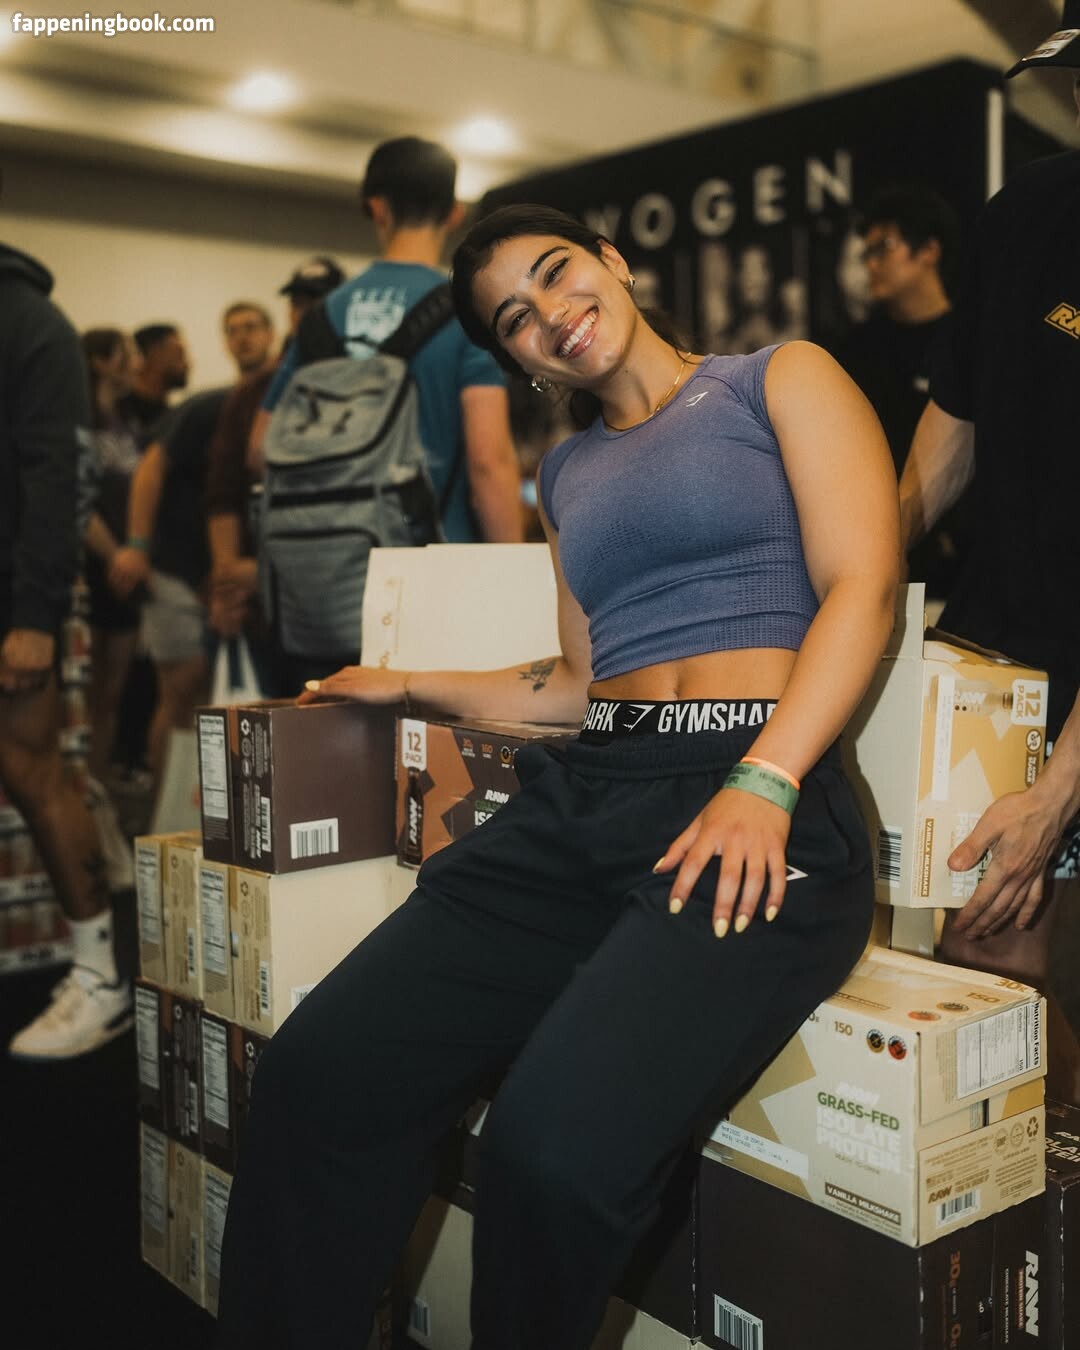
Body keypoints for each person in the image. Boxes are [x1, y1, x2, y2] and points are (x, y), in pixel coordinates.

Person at [216, 204, 899, 1349]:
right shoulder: (567, 471)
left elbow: (862, 587)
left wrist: (768, 779)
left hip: (754, 801)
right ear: (520, 361)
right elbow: (579, 682)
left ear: (613, 261)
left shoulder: (777, 379)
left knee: (547, 1154)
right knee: (318, 1074)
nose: (550, 314)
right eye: (513, 318)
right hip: (593, 796)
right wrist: (408, 683)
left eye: (558, 271)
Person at [899, 1, 1080, 1102]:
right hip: (1005, 652)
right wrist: (855, 572)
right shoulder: (1026, 213)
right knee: (983, 964)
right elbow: (952, 430)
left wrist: (1059, 793)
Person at [255, 137, 523, 548]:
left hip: (331, 558)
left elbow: (260, 447)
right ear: (454, 213)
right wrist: (511, 562)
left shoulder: (322, 317)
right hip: (432, 556)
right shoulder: (466, 313)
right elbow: (489, 463)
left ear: (377, 208)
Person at [0, 243, 130, 1059]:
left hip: (13, 602)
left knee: (34, 772)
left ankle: (100, 975)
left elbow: (60, 477)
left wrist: (35, 616)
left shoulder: (30, 321)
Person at [206, 260, 345, 660]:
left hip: (344, 578)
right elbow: (222, 494)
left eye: (320, 302)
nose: (308, 312)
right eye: (299, 303)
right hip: (267, 594)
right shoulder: (255, 393)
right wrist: (227, 584)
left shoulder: (373, 382)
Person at [833, 184, 967, 597]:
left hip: (969, 556)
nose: (872, 263)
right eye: (867, 253)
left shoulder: (971, 339)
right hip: (881, 550)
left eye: (884, 248)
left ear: (929, 250)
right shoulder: (853, 352)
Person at [79, 328, 143, 781]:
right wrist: (114, 554)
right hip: (90, 563)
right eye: (127, 354)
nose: (135, 363)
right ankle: (74, 782)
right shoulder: (81, 419)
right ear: (102, 362)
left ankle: (97, 782)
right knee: (81, 688)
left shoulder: (127, 421)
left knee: (112, 691)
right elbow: (76, 500)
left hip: (125, 566)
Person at [117, 321, 189, 447]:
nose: (188, 364)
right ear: (153, 354)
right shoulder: (117, 415)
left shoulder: (174, 418)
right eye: (179, 353)